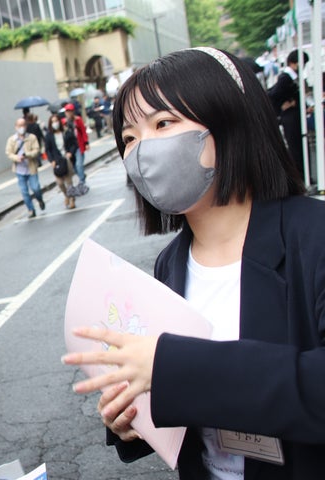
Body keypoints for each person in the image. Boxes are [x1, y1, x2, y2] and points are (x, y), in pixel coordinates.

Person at [61, 46, 322, 478]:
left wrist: (171, 368)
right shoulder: (170, 264)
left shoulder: (313, 237)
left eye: (163, 124)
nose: (142, 151)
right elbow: (183, 406)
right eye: (129, 138)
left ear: (230, 122)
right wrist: (132, 419)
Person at [268, 49, 310, 184]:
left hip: (293, 116)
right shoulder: (286, 77)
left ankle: (303, 175)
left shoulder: (291, 77)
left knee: (298, 147)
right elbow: (273, 95)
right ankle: (300, 176)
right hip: (289, 117)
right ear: (293, 62)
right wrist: (287, 104)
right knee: (295, 148)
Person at [6, 117, 45, 218]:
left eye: (23, 125)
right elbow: (8, 153)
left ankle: (40, 199)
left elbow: (36, 150)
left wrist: (27, 154)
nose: (21, 128)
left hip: (31, 167)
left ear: (26, 126)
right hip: (19, 169)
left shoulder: (32, 138)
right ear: (16, 127)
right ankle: (31, 209)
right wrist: (16, 158)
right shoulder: (12, 140)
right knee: (24, 191)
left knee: (36, 188)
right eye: (19, 126)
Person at [44, 114, 77, 209]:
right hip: (57, 161)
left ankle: (72, 199)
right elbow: (48, 149)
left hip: (66, 160)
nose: (55, 123)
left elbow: (74, 143)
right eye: (53, 121)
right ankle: (66, 195)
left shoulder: (66, 132)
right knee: (60, 183)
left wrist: (70, 152)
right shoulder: (49, 136)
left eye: (56, 121)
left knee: (68, 181)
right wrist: (51, 160)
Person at [64, 103, 90, 190]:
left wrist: (86, 143)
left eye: (70, 111)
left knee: (79, 164)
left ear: (73, 111)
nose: (68, 113)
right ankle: (82, 175)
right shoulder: (64, 122)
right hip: (70, 148)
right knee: (75, 167)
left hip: (79, 145)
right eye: (67, 111)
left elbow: (83, 131)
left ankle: (82, 181)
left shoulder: (78, 120)